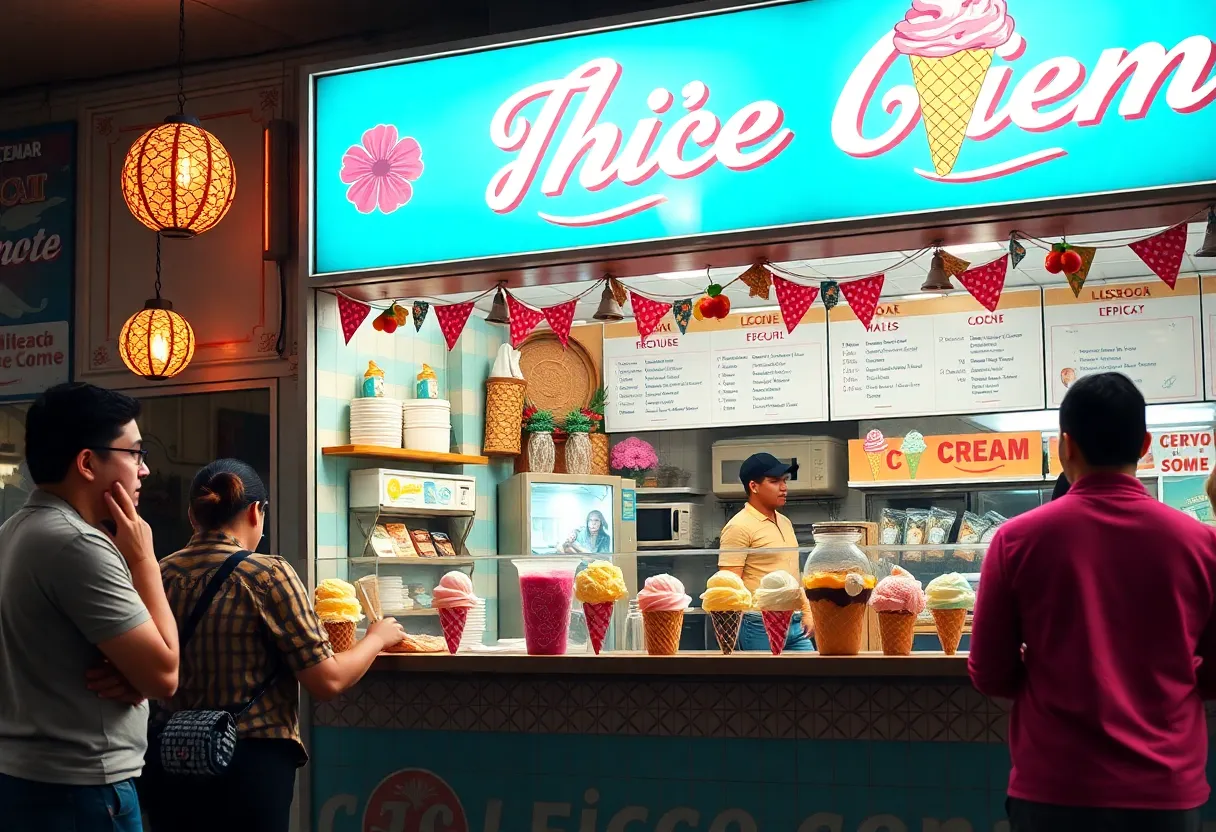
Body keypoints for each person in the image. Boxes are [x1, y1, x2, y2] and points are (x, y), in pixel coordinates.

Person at [969, 372, 1216, 832]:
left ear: (1064, 446)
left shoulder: (1015, 540)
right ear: (1145, 445)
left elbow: (989, 671)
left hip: (1053, 789)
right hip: (1166, 792)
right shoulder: (1203, 544)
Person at [137, 459, 406, 832]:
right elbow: (326, 681)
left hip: (172, 760)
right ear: (254, 512)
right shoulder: (267, 575)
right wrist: (376, 638)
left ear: (191, 515)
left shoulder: (158, 573)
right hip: (249, 767)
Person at [0, 382, 179, 832]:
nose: (145, 471)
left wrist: (132, 674)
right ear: (86, 462)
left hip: (25, 780)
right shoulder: (77, 544)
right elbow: (164, 675)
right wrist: (143, 558)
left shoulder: (13, 531)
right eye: (135, 453)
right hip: (83, 792)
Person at [718, 452, 813, 652]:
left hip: (794, 621)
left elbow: (793, 574)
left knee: (813, 677)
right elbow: (728, 586)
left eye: (785, 481)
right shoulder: (738, 526)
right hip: (758, 622)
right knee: (765, 681)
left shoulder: (785, 522)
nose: (784, 487)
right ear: (754, 486)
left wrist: (807, 611)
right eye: (775, 481)